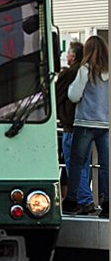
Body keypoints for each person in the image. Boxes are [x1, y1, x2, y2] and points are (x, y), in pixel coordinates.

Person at [66, 36, 109, 217]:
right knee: (106, 165)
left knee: (77, 163)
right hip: (105, 124)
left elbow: (74, 95)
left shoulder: (85, 70)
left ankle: (72, 201)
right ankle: (107, 204)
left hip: (85, 123)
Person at [55, 41, 89, 202]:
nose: (66, 56)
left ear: (73, 57)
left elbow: (56, 97)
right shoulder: (88, 72)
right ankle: (84, 197)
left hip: (70, 125)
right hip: (87, 124)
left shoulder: (69, 74)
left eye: (68, 53)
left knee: (73, 164)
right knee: (85, 165)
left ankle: (82, 199)